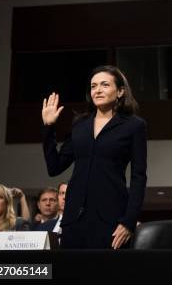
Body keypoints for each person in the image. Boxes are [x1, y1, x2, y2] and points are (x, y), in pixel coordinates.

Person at [41, 65, 147, 249]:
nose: (97, 90)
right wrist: (48, 128)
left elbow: (139, 176)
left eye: (105, 85)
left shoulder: (134, 126)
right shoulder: (80, 125)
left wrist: (129, 221)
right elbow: (54, 167)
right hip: (74, 218)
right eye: (93, 86)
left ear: (120, 91)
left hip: (112, 219)